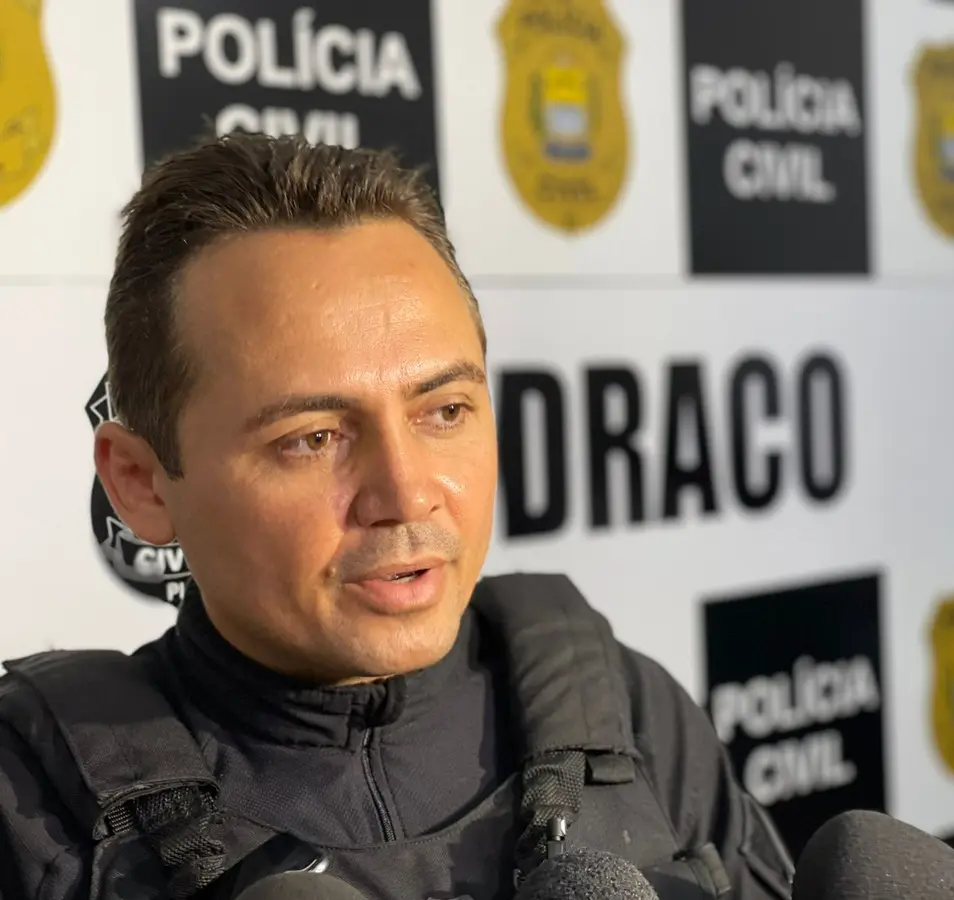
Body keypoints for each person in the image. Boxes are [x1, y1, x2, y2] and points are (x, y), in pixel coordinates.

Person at [0, 133, 794, 900]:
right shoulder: (30, 815)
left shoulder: (630, 714)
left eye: (444, 411)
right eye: (313, 438)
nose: (407, 495)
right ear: (140, 483)